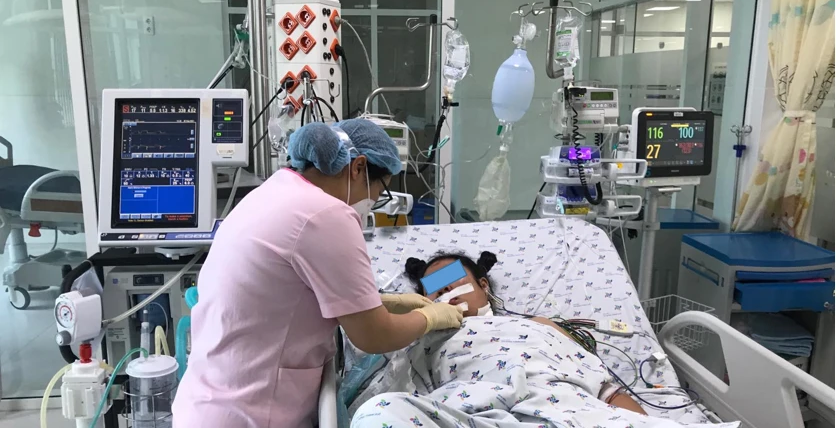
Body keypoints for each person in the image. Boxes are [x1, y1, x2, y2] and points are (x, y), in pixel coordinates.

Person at [173, 118, 463, 428]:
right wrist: (430, 317)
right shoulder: (326, 215)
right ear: (357, 167)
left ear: (484, 282)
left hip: (208, 401)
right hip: (248, 413)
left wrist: (388, 302)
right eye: (380, 191)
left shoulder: (275, 189)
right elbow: (374, 335)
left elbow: (291, 289)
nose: (373, 203)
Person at [403, 250, 647, 415]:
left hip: (567, 409)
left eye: (452, 277)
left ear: (483, 285)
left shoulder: (539, 325)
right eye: (433, 287)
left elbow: (605, 391)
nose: (445, 288)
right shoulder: (423, 345)